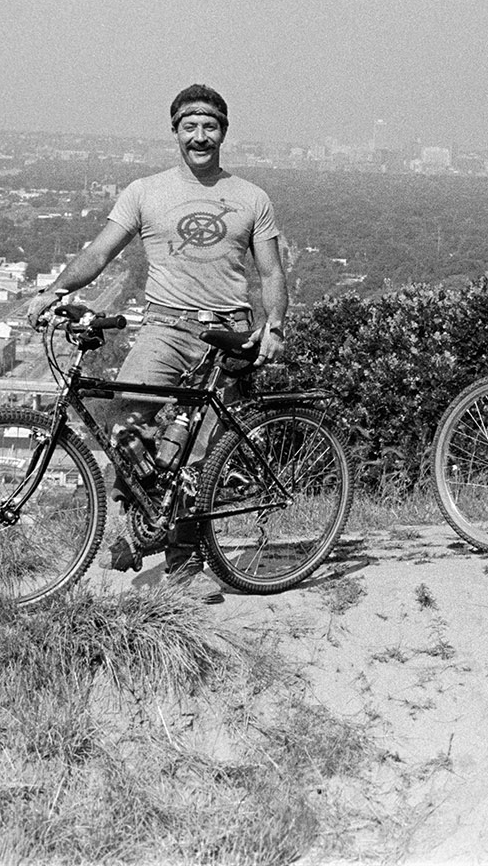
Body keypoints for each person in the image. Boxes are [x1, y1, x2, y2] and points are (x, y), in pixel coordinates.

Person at [30, 83, 287, 602]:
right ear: (175, 132)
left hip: (227, 332)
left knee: (202, 455)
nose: (200, 136)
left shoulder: (251, 197)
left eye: (210, 125)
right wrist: (56, 289)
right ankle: (139, 526)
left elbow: (272, 272)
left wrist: (274, 326)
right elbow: (99, 252)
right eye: (189, 126)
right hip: (166, 326)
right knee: (126, 423)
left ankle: (186, 565)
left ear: (224, 132)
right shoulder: (145, 191)